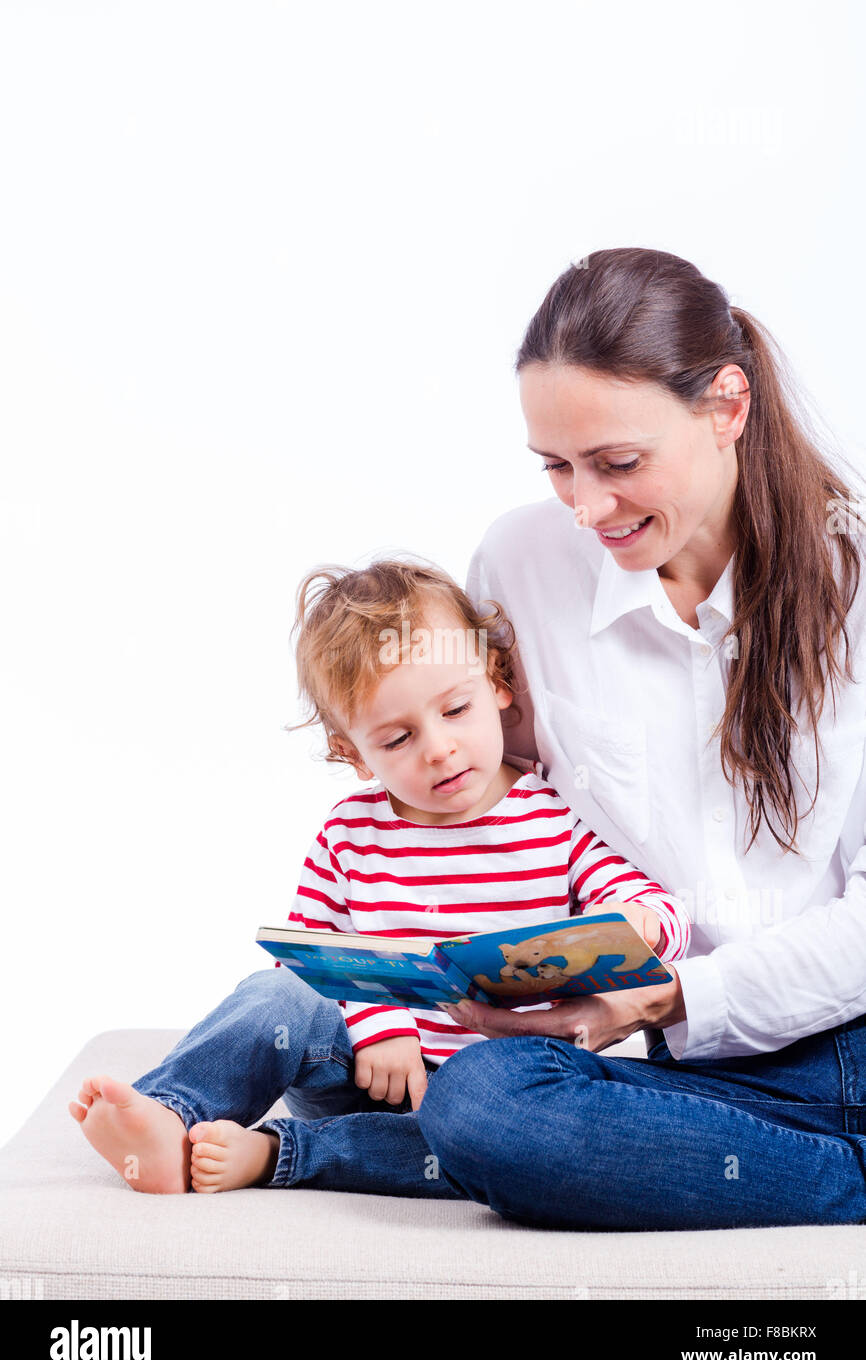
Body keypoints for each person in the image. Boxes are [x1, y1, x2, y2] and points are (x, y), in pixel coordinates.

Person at [414, 246, 866, 1231]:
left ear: (726, 407)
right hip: (644, 1052)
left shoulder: (854, 573)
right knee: (464, 1097)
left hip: (838, 1032)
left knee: (473, 1120)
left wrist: (668, 998)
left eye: (617, 463)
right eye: (555, 467)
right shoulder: (520, 560)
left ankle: (802, 1168)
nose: (585, 506)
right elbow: (502, 802)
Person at [68, 557, 690, 1197]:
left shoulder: (554, 818)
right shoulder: (351, 833)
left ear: (498, 683)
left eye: (456, 709)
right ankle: (170, 1116)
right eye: (397, 739)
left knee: (506, 1140)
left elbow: (660, 912)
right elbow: (307, 962)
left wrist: (638, 920)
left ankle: (276, 1155)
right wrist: (378, 1022)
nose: (439, 748)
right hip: (360, 1071)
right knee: (272, 997)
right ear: (352, 753)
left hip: (494, 1091)